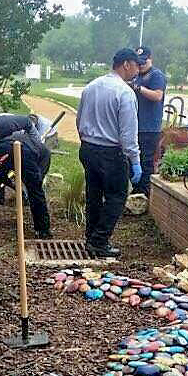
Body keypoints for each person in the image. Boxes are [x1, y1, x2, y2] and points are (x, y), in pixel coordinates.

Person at [76, 48, 141, 258]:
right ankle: (99, 241)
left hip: (87, 148)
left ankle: (90, 237)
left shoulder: (91, 87)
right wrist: (135, 159)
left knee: (93, 195)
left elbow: (79, 120)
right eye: (136, 65)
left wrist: (86, 141)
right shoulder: (124, 93)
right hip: (110, 153)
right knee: (116, 197)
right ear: (126, 65)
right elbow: (128, 133)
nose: (137, 70)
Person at [0, 133, 52, 238]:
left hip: (27, 153)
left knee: (34, 190)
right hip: (12, 151)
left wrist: (16, 183)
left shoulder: (40, 154)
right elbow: (3, 175)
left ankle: (43, 230)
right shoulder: (1, 149)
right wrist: (11, 182)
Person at [131, 46, 167, 196]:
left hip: (150, 128)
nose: (141, 65)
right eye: (139, 62)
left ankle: (144, 193)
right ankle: (136, 188)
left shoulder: (156, 76)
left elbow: (158, 95)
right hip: (135, 126)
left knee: (146, 162)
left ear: (150, 59)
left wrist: (139, 88)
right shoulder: (136, 75)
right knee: (133, 160)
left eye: (144, 61)